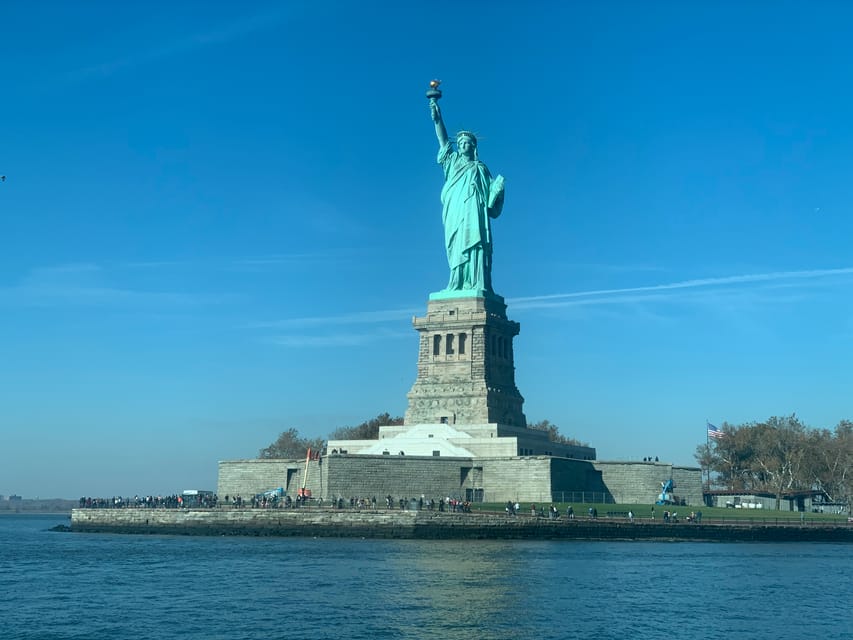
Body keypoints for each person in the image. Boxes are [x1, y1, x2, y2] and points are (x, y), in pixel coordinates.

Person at [429, 96, 505, 293]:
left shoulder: (481, 168)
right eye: (460, 142)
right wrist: (438, 119)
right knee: (456, 246)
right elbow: (443, 140)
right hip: (455, 211)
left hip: (475, 214)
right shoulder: (452, 162)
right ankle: (456, 282)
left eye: (467, 143)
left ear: (474, 147)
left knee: (476, 244)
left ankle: (477, 283)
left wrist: (498, 191)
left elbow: (491, 203)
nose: (462, 145)